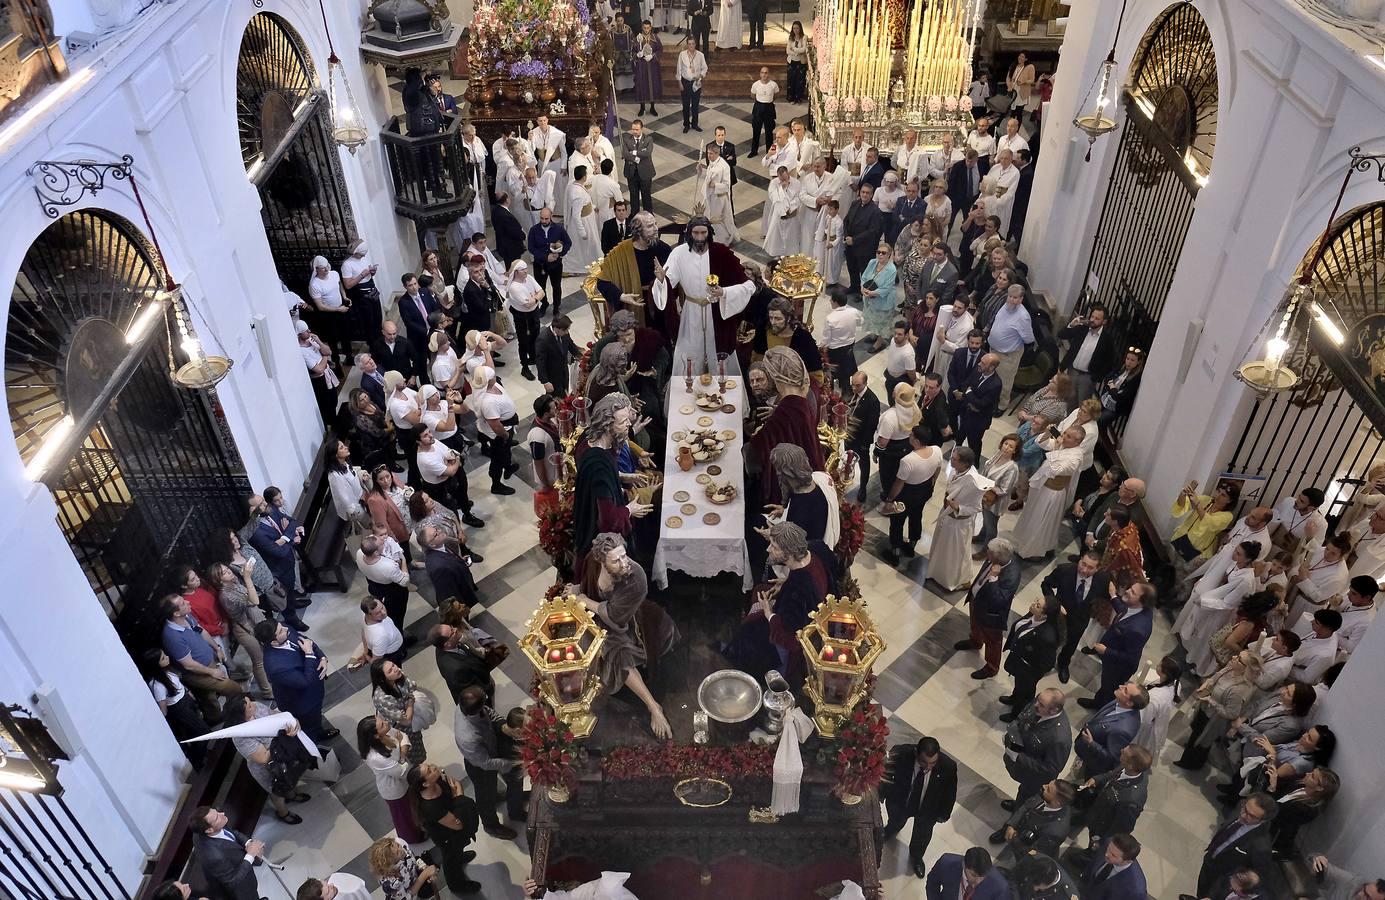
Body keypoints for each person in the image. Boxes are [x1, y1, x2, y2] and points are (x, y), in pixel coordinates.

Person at [580, 533, 680, 738]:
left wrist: (583, 600)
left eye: (624, 556)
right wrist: (578, 594)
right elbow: (587, 588)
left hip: (629, 622)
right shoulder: (592, 561)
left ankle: (653, 707)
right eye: (616, 560)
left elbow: (616, 617)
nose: (624, 563)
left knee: (617, 652)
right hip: (599, 615)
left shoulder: (636, 577)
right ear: (601, 561)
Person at [720, 521, 835, 684]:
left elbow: (790, 630)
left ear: (788, 552)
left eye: (774, 546)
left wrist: (768, 613)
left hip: (793, 634)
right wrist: (784, 583)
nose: (768, 549)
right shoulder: (816, 547)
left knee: (748, 634)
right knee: (760, 589)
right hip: (805, 604)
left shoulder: (798, 589)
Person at [652, 216, 756, 362]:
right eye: (696, 233)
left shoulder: (721, 252)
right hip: (691, 312)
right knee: (691, 354)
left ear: (710, 232)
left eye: (703, 232)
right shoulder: (679, 253)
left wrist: (724, 292)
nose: (700, 238)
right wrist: (662, 280)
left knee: (717, 352)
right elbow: (668, 284)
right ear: (689, 233)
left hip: (716, 313)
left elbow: (749, 286)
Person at [1173, 649, 1265, 771]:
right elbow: (1216, 678)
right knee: (1196, 734)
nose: (1234, 658)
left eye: (1239, 659)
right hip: (1205, 709)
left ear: (1246, 669)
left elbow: (1232, 713)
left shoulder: (1239, 690)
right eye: (1237, 655)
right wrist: (1207, 686)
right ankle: (1193, 751)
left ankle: (1190, 763)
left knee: (1202, 740)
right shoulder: (1230, 668)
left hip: (1213, 719)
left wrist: (1212, 702)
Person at [452, 686, 523, 840]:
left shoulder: (468, 706)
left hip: (488, 748)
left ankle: (508, 804)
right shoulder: (467, 737)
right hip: (480, 766)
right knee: (486, 797)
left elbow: (487, 712)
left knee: (495, 789)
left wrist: (503, 726)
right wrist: (509, 763)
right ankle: (491, 825)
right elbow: (486, 763)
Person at [882, 736, 958, 878]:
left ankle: (916, 857)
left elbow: (950, 792)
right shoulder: (900, 754)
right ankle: (891, 829)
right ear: (916, 752)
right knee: (895, 820)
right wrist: (882, 793)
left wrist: (944, 814)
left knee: (922, 836)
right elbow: (886, 773)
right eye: (924, 762)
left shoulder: (948, 766)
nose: (928, 767)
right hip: (901, 801)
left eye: (933, 763)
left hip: (928, 809)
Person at [161, 593, 243, 722]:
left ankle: (217, 715)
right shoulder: (173, 637)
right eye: (183, 603)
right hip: (198, 672)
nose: (188, 602)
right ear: (176, 614)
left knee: (208, 696)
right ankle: (227, 716)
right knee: (232, 688)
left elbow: (200, 630)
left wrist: (217, 648)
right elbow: (188, 664)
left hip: (210, 661)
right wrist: (212, 672)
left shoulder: (187, 616)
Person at [1179, 795, 1278, 900]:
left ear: (1262, 820)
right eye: (1245, 809)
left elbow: (1259, 876)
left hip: (1222, 876)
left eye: (1251, 816)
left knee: (1209, 893)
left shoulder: (1261, 846)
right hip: (1211, 859)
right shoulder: (1241, 807)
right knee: (1202, 886)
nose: (1244, 815)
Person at [1012, 425, 1086, 560]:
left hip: (1052, 493)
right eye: (1065, 433)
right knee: (1032, 515)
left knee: (1041, 521)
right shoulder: (1065, 444)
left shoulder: (1076, 457)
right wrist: (1047, 432)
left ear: (1077, 442)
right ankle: (1025, 542)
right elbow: (1042, 443)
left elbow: (1056, 470)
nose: (1063, 437)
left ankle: (1034, 551)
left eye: (1069, 436)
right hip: (1042, 487)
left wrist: (1056, 448)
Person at [255, 620, 336, 744]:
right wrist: (309, 654)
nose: (286, 629)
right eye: (281, 631)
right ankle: (313, 750)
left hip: (314, 692)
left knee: (316, 718)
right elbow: (304, 682)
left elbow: (307, 641)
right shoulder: (275, 667)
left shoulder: (283, 629)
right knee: (308, 729)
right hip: (302, 703)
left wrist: (322, 657)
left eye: (282, 627)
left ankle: (319, 731)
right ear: (273, 641)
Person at [408, 762, 482, 894]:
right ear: (425, 784)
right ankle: (457, 885)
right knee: (450, 859)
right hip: (446, 837)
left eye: (429, 766)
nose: (433, 767)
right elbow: (458, 825)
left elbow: (456, 783)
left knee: (457, 851)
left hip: (453, 825)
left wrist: (457, 797)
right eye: (429, 771)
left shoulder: (439, 781)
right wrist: (458, 797)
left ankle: (459, 857)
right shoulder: (430, 807)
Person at [956, 537, 1021, 679]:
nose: (986, 553)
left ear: (998, 556)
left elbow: (998, 600)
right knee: (975, 624)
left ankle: (991, 667)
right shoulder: (995, 559)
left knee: (993, 641)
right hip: (977, 600)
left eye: (989, 552)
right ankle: (975, 641)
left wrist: (993, 578)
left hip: (992, 613)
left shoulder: (1012, 575)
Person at [1084, 581, 1156, 709]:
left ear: (1142, 601)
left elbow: (1130, 658)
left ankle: (1100, 707)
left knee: (1109, 689)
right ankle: (1098, 701)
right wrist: (1113, 596)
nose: (1128, 591)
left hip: (1118, 667)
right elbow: (1123, 611)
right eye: (1131, 587)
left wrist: (1106, 651)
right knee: (1106, 686)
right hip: (1113, 657)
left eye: (1133, 592)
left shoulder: (1137, 629)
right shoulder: (1139, 609)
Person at [1042, 551, 1110, 683]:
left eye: (1090, 567)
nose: (1084, 569)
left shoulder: (1103, 579)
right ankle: (1045, 661)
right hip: (1058, 615)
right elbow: (1046, 584)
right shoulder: (1064, 570)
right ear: (1079, 560)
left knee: (1071, 644)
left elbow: (1107, 595)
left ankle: (1063, 664)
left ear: (1098, 568)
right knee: (1050, 640)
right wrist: (1055, 604)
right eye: (1083, 564)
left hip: (1080, 619)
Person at [880, 425, 944, 564]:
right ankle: (911, 546)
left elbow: (899, 483)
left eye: (911, 435)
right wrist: (932, 483)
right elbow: (938, 469)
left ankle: (895, 552)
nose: (909, 436)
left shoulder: (908, 460)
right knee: (916, 517)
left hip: (906, 494)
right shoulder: (937, 450)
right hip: (924, 489)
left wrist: (890, 499)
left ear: (916, 441)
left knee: (897, 521)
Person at [358, 715, 425, 844]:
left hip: (405, 779)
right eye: (382, 724)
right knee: (403, 816)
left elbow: (403, 735)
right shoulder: (375, 757)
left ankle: (419, 826)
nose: (386, 722)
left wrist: (401, 749)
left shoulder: (386, 731)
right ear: (376, 736)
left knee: (413, 807)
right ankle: (412, 838)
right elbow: (401, 771)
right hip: (394, 789)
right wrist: (403, 751)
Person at [141, 648, 210, 769]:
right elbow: (163, 708)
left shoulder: (168, 671)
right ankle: (197, 758)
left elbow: (178, 684)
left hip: (185, 700)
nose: (167, 657)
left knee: (195, 730)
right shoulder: (157, 685)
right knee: (202, 731)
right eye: (163, 658)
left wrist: (188, 694)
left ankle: (201, 753)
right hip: (179, 708)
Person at [1002, 687, 1071, 807]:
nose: (1036, 705)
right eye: (1038, 700)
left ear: (1053, 710)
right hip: (1023, 765)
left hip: (1035, 778)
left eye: (1041, 705)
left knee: (1027, 799)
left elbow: (1050, 769)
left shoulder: (1059, 738)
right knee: (1022, 792)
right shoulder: (1041, 702)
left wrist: (1018, 757)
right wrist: (1012, 732)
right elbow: (1024, 715)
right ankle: (1018, 804)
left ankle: (1017, 815)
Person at [929, 448, 984, 591]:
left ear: (965, 464)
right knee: (941, 546)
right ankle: (936, 571)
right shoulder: (956, 470)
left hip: (959, 523)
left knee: (956, 553)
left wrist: (959, 508)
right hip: (947, 515)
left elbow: (977, 507)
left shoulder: (973, 482)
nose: (951, 460)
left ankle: (956, 579)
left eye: (954, 459)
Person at [1000, 596, 1061, 721]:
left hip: (1028, 671)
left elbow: (1048, 663)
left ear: (1045, 615)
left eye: (1038, 606)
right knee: (1019, 686)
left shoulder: (1047, 637)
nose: (1033, 604)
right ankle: (1014, 698)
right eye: (1036, 601)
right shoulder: (1032, 615)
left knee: (1025, 693)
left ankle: (1016, 715)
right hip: (1019, 661)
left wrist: (1028, 666)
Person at [1080, 746, 1152, 850]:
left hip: (1103, 826)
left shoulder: (1131, 800)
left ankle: (1088, 856)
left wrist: (1103, 843)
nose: (1121, 750)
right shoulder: (1129, 768)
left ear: (1131, 765)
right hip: (1098, 813)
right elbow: (1113, 773)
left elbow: (1122, 829)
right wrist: (1098, 779)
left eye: (1124, 753)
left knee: (1095, 847)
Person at [191, 807, 267, 900]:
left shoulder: (210, 828)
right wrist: (250, 855)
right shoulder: (215, 856)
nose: (222, 813)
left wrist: (248, 843)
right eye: (217, 817)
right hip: (240, 889)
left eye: (217, 812)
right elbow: (232, 881)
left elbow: (232, 833)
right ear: (209, 830)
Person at [1074, 682, 1149, 776]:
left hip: (1093, 761)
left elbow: (1111, 758)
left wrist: (1091, 743)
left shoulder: (1123, 730)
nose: (1120, 686)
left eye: (1125, 690)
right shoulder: (1120, 701)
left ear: (1129, 703)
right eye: (1125, 685)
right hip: (1085, 746)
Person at [990, 779, 1074, 857]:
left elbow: (1034, 853)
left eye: (1048, 789)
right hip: (1022, 831)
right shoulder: (1045, 795)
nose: (1044, 786)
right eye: (1048, 784)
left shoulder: (1055, 831)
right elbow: (1027, 805)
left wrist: (1013, 839)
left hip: (1028, 850)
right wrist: (1011, 824)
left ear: (1056, 802)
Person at [987, 285, 1034, 409]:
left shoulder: (1023, 316)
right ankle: (991, 400)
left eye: (1015, 298)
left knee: (1004, 382)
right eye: (1010, 296)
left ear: (1021, 299)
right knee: (991, 378)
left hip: (1008, 355)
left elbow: (1029, 338)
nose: (1011, 300)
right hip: (993, 349)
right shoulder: (1005, 305)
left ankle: (1002, 405)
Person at [429, 620, 494, 704]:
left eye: (452, 627)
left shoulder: (445, 645)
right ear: (447, 644)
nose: (456, 629)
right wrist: (487, 691)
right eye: (452, 632)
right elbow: (472, 692)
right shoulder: (456, 669)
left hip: (479, 673)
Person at [976, 433, 1021, 551]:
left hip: (995, 501)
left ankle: (987, 549)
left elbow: (1005, 489)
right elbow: (987, 468)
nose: (1006, 447)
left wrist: (987, 485)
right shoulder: (998, 455)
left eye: (1011, 446)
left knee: (991, 525)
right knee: (985, 518)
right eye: (1006, 444)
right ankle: (981, 536)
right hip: (985, 494)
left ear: (1015, 451)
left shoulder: (1012, 468)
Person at [953, 352, 1002, 455]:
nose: (979, 364)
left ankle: (974, 464)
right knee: (959, 436)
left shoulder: (996, 384)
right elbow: (965, 384)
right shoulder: (978, 370)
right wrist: (970, 398)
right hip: (966, 412)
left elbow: (981, 404)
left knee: (974, 444)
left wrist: (969, 394)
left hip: (978, 421)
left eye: (983, 363)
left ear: (991, 368)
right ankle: (956, 455)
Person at [526, 207, 571, 319]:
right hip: (540, 264)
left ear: (551, 217)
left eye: (546, 218)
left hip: (555, 264)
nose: (544, 221)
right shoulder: (534, 230)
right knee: (540, 287)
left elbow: (568, 243)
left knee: (556, 286)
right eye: (542, 218)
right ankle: (544, 303)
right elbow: (531, 248)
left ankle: (556, 306)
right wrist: (546, 257)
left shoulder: (558, 229)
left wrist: (559, 254)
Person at [845, 371, 881, 504]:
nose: (854, 388)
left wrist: (865, 444)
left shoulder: (872, 401)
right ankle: (845, 474)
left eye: (858, 386)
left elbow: (871, 425)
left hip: (861, 440)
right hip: (847, 434)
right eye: (853, 385)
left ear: (865, 383)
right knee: (846, 457)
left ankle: (863, 488)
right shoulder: (850, 390)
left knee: (864, 464)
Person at [842, 183, 885, 295]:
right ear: (860, 192)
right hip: (850, 244)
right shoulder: (855, 203)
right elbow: (846, 220)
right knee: (852, 268)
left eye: (867, 193)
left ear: (871, 195)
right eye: (863, 192)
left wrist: (854, 239)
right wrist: (846, 236)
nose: (864, 195)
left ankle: (863, 292)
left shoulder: (875, 211)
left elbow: (873, 231)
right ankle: (854, 287)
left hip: (864, 248)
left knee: (864, 272)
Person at [821, 287, 862, 392]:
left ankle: (830, 394)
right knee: (846, 372)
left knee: (831, 374)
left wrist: (821, 349)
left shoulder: (830, 318)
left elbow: (826, 339)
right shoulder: (853, 312)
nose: (830, 301)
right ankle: (846, 391)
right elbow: (860, 322)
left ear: (835, 302)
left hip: (834, 351)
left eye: (831, 300)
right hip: (849, 348)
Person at [926, 847, 1009, 900]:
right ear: (964, 864)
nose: (978, 881)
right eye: (974, 875)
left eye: (982, 877)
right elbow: (932, 883)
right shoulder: (946, 863)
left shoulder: (999, 886)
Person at [1082, 834, 1147, 900]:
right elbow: (1092, 866)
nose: (1106, 854)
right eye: (1108, 849)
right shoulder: (1111, 844)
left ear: (1127, 861)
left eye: (1113, 855)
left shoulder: (1135, 891)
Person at [1271, 486, 1329, 558]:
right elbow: (1273, 514)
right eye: (1299, 497)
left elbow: (1316, 550)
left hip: (1290, 557)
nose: (1296, 501)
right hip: (1272, 544)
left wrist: (1310, 537)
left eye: (1302, 501)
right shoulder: (1289, 501)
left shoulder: (1320, 523)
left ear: (1312, 508)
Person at [934, 305, 978, 394]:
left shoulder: (967, 326)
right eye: (955, 306)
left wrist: (943, 341)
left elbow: (960, 349)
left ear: (966, 309)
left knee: (945, 384)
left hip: (951, 357)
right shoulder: (951, 313)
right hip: (942, 352)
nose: (955, 309)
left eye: (959, 308)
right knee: (937, 379)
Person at [763, 166, 802, 256]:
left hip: (792, 215)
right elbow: (773, 196)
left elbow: (798, 198)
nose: (783, 181)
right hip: (778, 216)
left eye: (785, 178)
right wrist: (782, 188)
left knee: (791, 239)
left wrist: (790, 208)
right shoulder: (774, 183)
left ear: (788, 174)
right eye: (781, 179)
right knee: (777, 239)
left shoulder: (796, 183)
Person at [748, 67, 779, 156]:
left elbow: (776, 95)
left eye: (766, 73)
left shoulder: (773, 85)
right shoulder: (756, 85)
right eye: (762, 72)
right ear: (760, 74)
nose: (764, 75)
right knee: (756, 130)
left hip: (769, 108)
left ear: (768, 74)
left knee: (769, 131)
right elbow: (753, 95)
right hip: (758, 107)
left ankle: (769, 152)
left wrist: (768, 101)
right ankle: (754, 151)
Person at [785, 20, 808, 100]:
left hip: (801, 62)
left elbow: (804, 49)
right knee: (791, 80)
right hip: (792, 62)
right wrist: (796, 52)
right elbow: (788, 51)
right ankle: (791, 97)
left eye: (797, 28)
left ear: (800, 29)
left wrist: (794, 49)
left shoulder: (804, 37)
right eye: (794, 28)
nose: (795, 30)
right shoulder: (790, 37)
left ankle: (798, 97)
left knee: (799, 80)